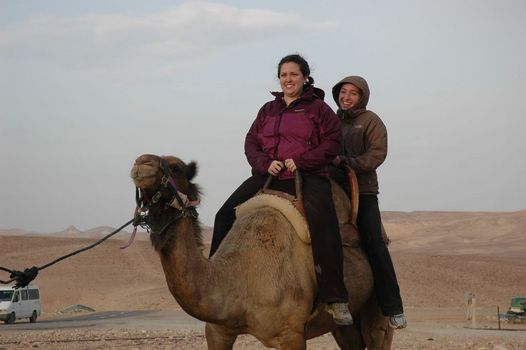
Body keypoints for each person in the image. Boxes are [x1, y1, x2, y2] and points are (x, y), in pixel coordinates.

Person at [209, 54, 353, 325]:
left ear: (305, 77)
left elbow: (333, 143)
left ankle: (335, 298)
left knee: (325, 225)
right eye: (284, 75)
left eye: (294, 74)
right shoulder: (267, 110)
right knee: (224, 214)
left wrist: (301, 161)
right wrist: (265, 163)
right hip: (270, 175)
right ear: (279, 79)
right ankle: (216, 283)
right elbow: (251, 142)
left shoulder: (318, 110)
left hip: (307, 175)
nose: (288, 79)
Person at [329, 75, 407, 329]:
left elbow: (377, 154)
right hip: (330, 189)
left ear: (362, 97)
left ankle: (393, 307)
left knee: (373, 242)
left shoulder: (371, 121)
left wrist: (349, 162)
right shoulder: (331, 121)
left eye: (353, 93)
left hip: (361, 191)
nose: (346, 97)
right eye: (343, 92)